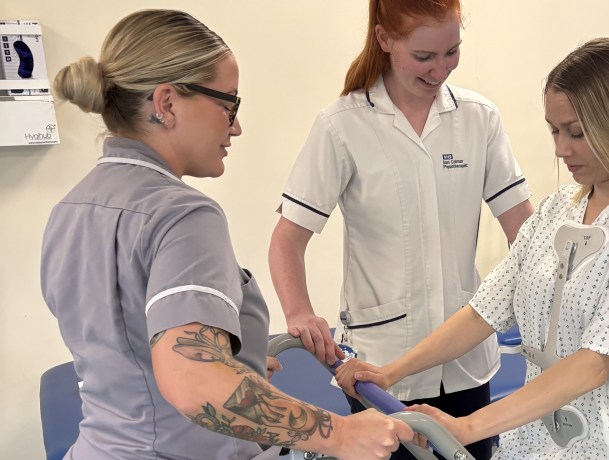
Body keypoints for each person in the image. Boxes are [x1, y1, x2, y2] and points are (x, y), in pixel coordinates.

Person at [42, 9, 414, 459]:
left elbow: (130, 349)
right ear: (166, 103)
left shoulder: (71, 209)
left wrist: (240, 365)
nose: (235, 126)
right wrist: (340, 433)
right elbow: (193, 380)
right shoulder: (182, 215)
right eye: (228, 104)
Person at [337, 37, 609, 459]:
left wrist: (467, 426)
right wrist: (390, 373)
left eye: (576, 132)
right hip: (541, 437)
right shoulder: (557, 210)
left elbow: (596, 363)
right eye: (554, 130)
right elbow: (483, 311)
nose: (560, 149)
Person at [269, 1, 533, 458]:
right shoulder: (342, 125)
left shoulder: (479, 118)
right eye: (424, 57)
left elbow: (525, 232)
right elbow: (287, 239)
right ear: (384, 39)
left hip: (466, 365)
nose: (440, 70)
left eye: (451, 52)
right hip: (379, 370)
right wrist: (300, 312)